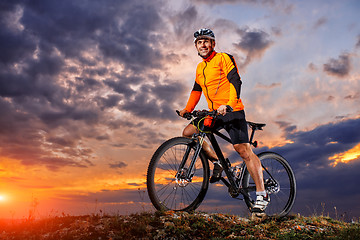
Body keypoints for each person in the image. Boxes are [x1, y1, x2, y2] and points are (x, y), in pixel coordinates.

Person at [179, 28, 270, 215]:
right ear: (196, 46)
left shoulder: (223, 58)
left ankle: (262, 193)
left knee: (243, 150)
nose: (203, 44)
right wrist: (187, 109)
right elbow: (196, 90)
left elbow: (235, 81)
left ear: (213, 44)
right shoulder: (200, 67)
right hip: (213, 113)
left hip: (231, 110)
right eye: (199, 42)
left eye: (206, 41)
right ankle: (219, 162)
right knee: (188, 133)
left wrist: (229, 104)